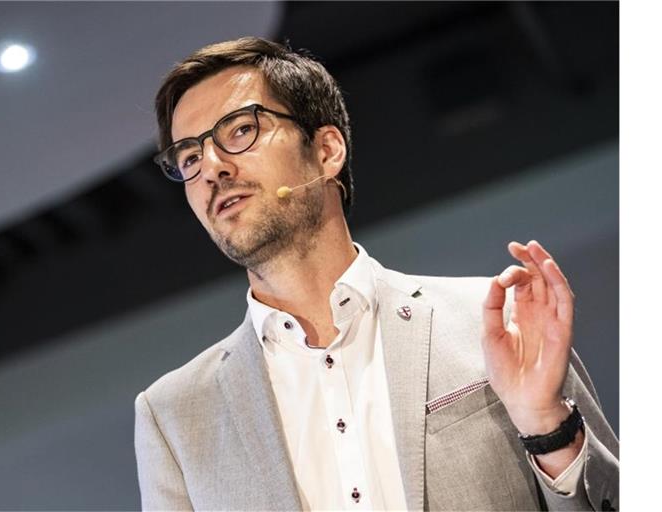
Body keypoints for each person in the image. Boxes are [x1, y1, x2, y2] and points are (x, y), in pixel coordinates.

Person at [134, 37, 619, 511]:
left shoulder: (489, 323)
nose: (212, 168)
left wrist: (547, 428)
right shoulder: (173, 416)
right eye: (189, 157)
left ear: (326, 151)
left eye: (240, 131)